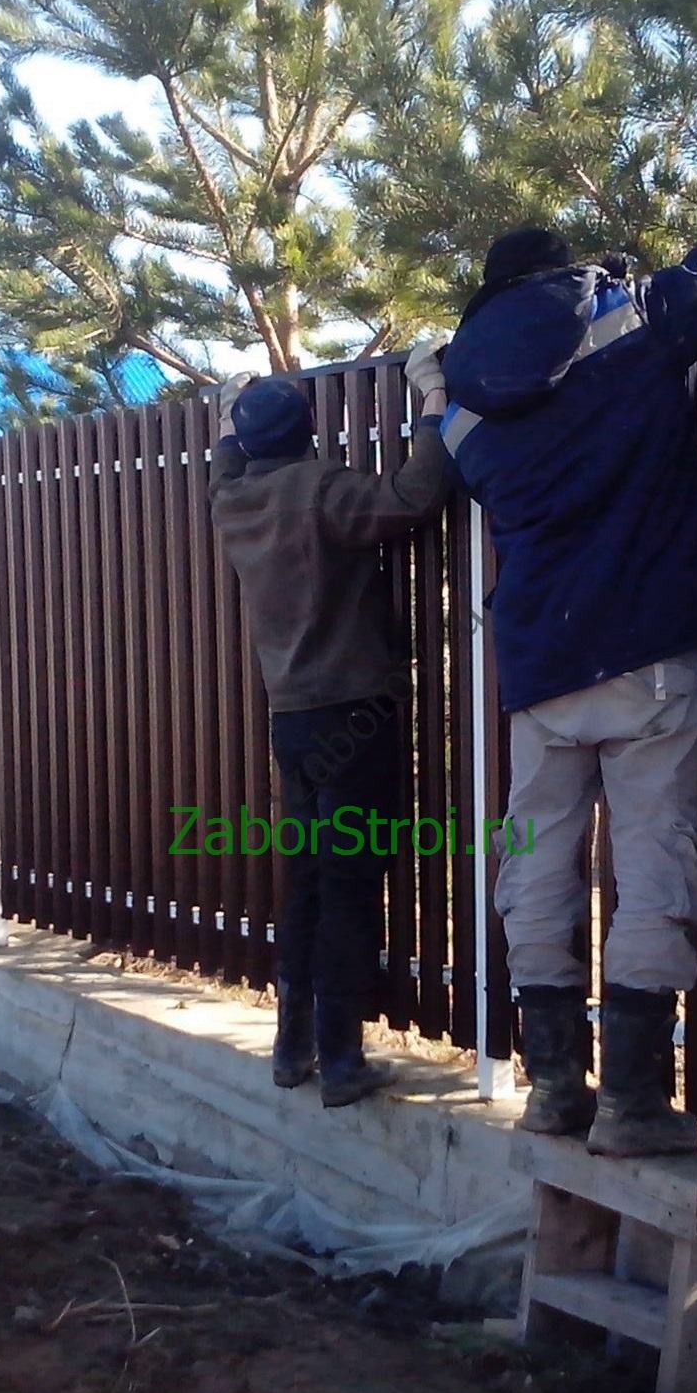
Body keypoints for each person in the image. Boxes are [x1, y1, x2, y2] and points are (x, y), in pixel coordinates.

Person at [439, 227, 697, 1156]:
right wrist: (627, 273)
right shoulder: (626, 322)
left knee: (537, 861)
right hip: (644, 646)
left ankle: (554, 1089)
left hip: (539, 664)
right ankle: (631, 1102)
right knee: (654, 855)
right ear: (566, 276)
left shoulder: (461, 409)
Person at [212, 342, 457, 1106]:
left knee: (310, 880)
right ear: (312, 427)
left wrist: (226, 417)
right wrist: (432, 397)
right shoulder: (321, 489)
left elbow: (225, 460)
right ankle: (343, 1060)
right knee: (351, 881)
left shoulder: (233, 500)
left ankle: (293, 1048)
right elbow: (416, 495)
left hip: (291, 719)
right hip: (356, 715)